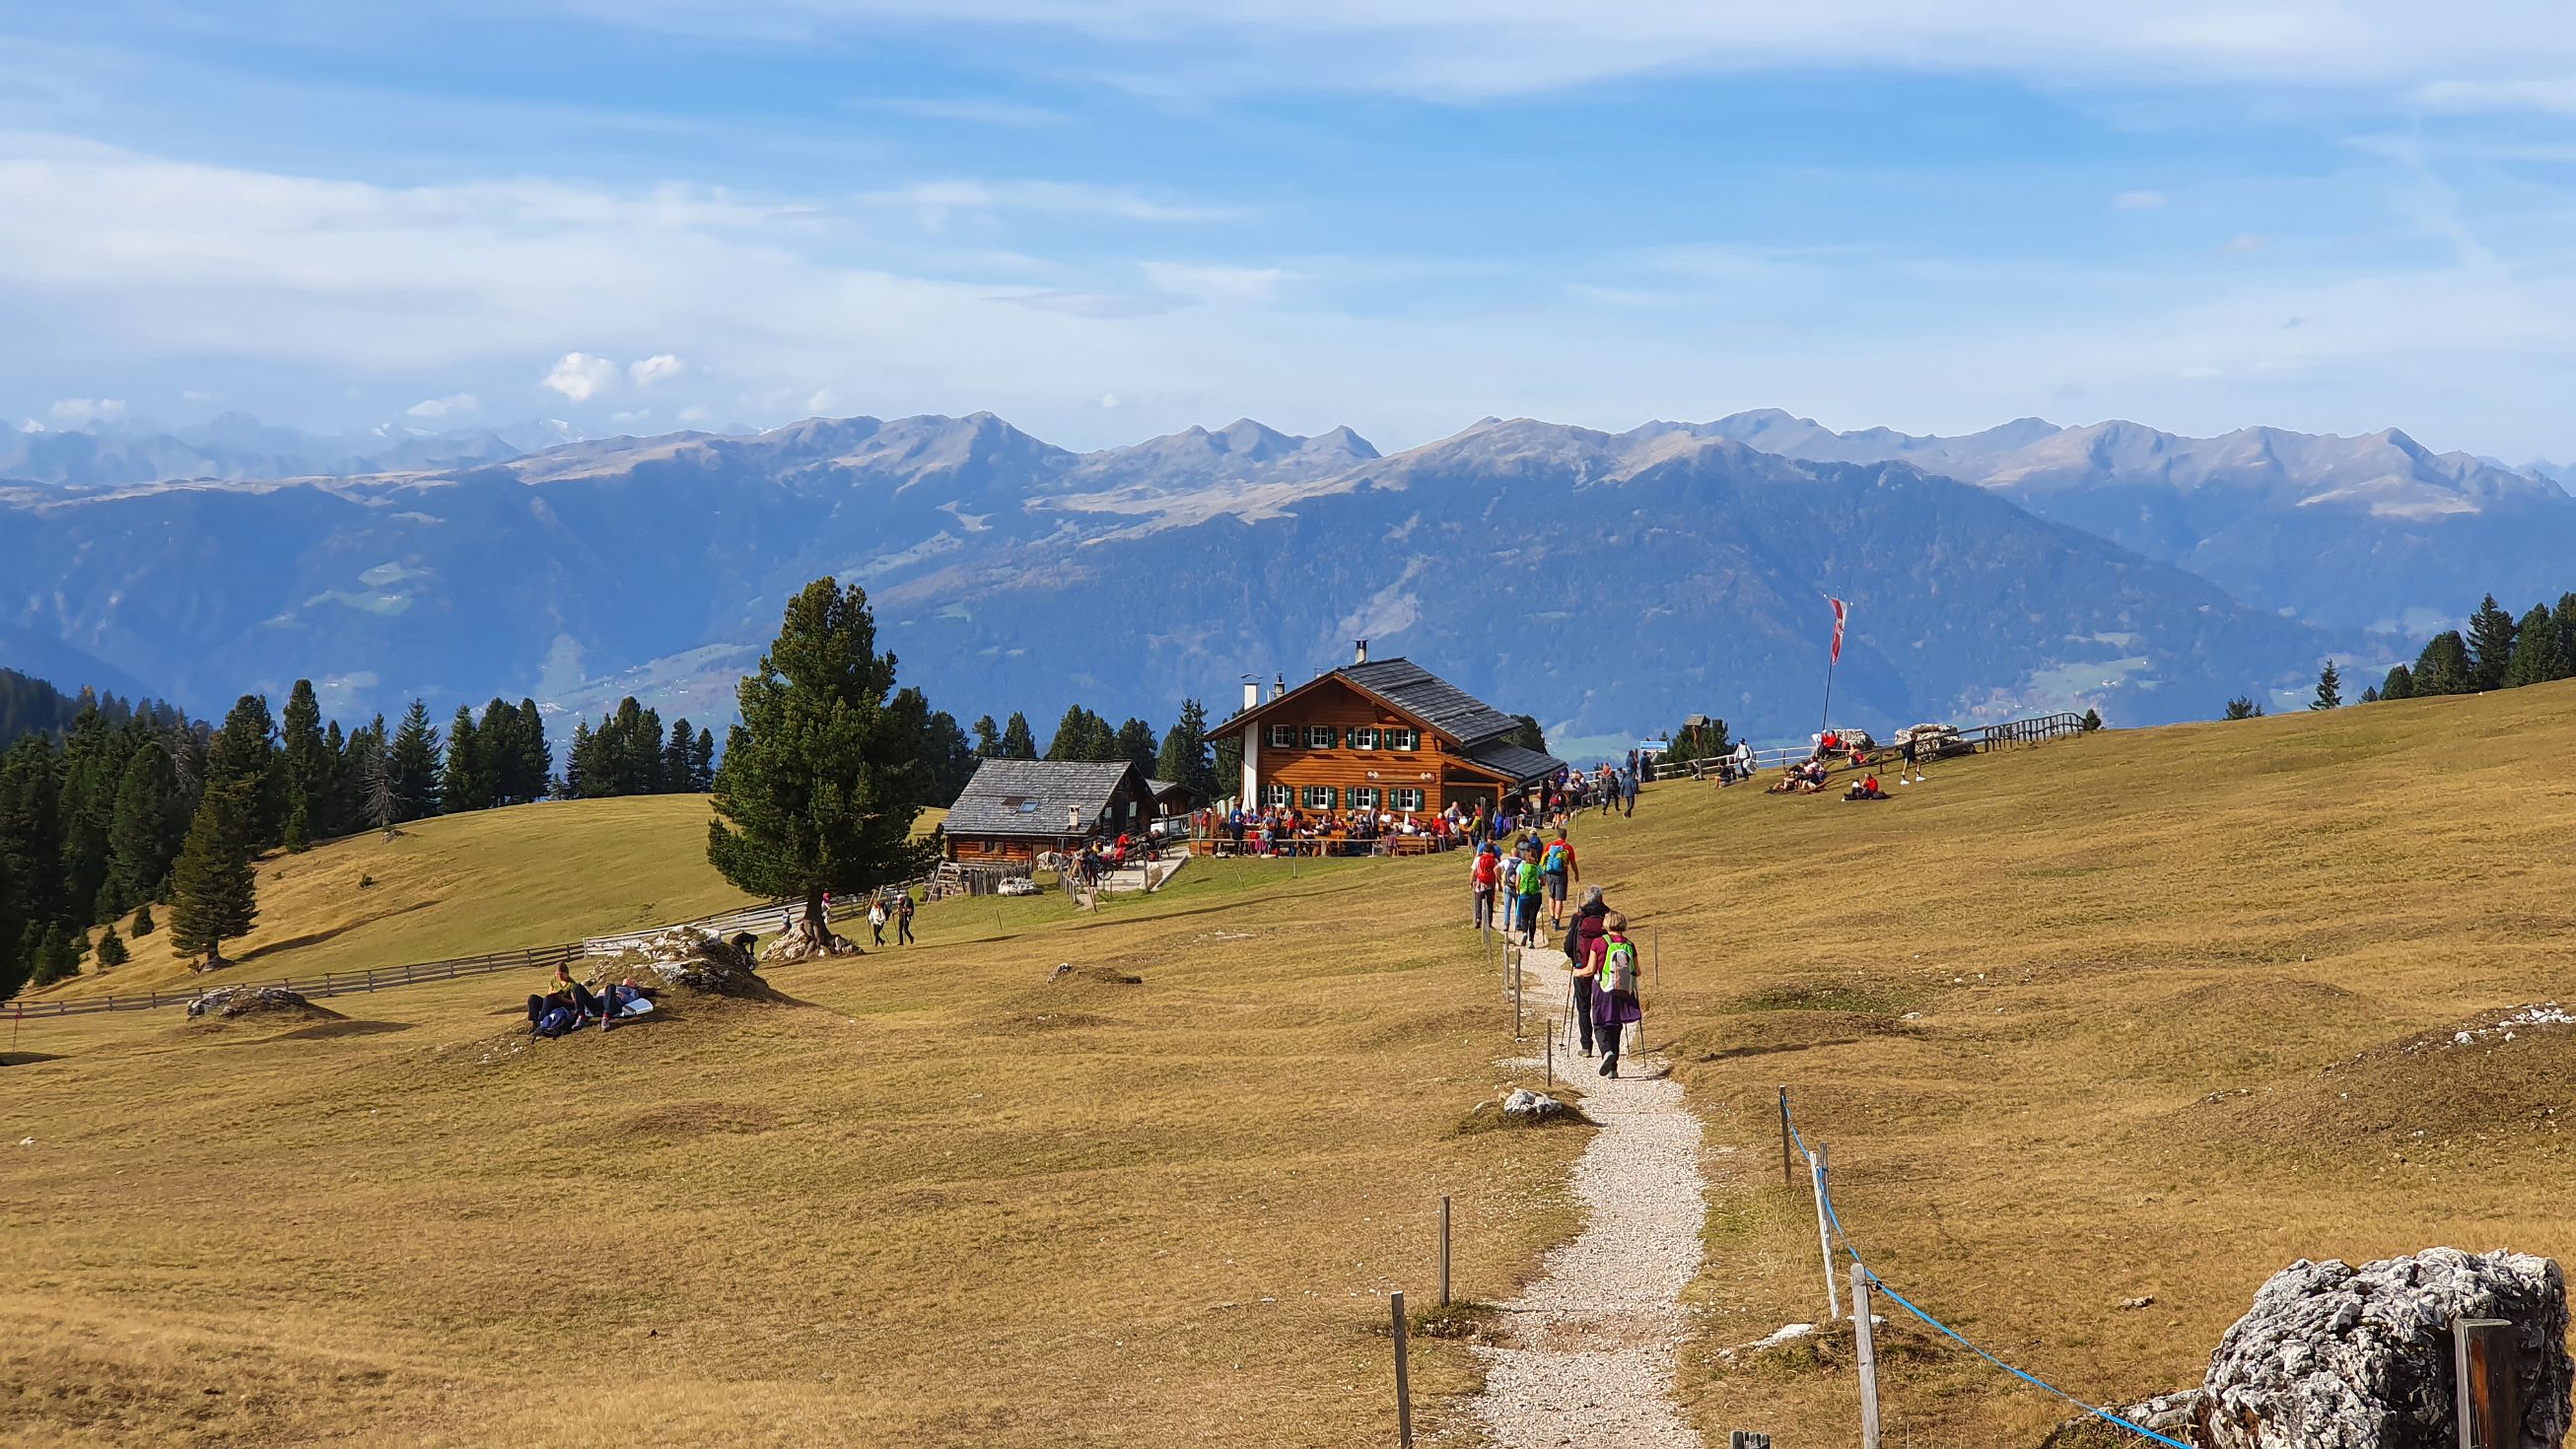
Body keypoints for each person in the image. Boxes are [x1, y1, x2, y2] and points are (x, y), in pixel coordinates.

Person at [1594, 916, 1642, 1075]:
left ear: (1607, 924)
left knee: (1600, 1024)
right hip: (1623, 989)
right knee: (1616, 1025)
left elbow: (1590, 969)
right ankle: (1613, 1069)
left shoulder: (1599, 942)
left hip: (1604, 989)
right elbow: (1638, 971)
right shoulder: (1629, 944)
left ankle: (1606, 1052)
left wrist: (1578, 972)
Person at [1541, 829, 1579, 930]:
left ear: (1557, 835)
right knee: (1559, 899)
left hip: (1549, 874)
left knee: (1551, 896)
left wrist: (1543, 874)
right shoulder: (1567, 847)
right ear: (1565, 836)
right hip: (1561, 875)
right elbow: (1573, 862)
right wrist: (1576, 874)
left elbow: (1543, 860)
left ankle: (1552, 918)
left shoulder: (1550, 845)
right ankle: (1557, 922)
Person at [1513, 846, 1545, 947]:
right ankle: (1531, 941)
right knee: (1533, 918)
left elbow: (1517, 882)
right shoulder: (1538, 867)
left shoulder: (1521, 866)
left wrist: (1518, 890)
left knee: (1524, 917)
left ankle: (1524, 933)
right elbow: (1543, 882)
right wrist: (1539, 883)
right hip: (1536, 896)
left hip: (1524, 895)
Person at [1471, 842, 1499, 930]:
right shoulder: (1495, 860)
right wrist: (1499, 883)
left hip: (1480, 884)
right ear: (1492, 851)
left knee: (1478, 901)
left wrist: (1470, 882)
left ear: (1483, 851)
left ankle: (1478, 918)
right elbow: (1497, 872)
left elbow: (1473, 872)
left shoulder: (1478, 859)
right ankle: (1489, 922)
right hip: (1490, 884)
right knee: (1490, 903)